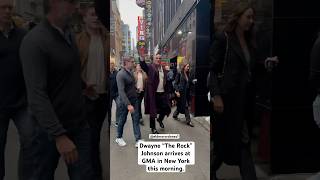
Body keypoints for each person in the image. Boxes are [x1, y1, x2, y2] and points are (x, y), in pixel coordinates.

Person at [20, 0, 94, 179]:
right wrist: (59, 136)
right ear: (54, 3)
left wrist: (83, 86)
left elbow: (67, 71)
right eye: (70, 3)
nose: (75, 7)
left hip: (78, 124)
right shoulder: (35, 41)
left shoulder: (68, 35)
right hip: (47, 132)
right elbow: (36, 95)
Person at [208, 3, 278, 180]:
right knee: (235, 144)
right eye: (248, 17)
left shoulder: (249, 41)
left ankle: (212, 169)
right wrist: (216, 96)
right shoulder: (224, 38)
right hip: (227, 102)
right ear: (238, 17)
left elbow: (250, 68)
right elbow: (213, 70)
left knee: (234, 144)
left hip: (245, 102)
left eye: (253, 18)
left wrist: (266, 63)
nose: (251, 21)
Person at [0, 0, 38, 179]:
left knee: (30, 141)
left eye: (10, 8)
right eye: (3, 8)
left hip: (21, 102)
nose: (7, 11)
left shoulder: (22, 35)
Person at [76, 3, 109, 180]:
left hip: (106, 96)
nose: (95, 18)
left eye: (98, 15)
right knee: (92, 138)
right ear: (84, 18)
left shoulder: (107, 39)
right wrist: (82, 86)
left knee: (101, 136)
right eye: (92, 14)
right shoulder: (78, 40)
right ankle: (95, 175)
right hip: (87, 97)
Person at [139, 54, 171, 134]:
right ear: (154, 59)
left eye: (159, 58)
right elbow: (143, 66)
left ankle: (160, 119)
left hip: (162, 93)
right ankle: (153, 128)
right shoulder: (151, 67)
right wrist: (142, 57)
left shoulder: (163, 69)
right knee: (153, 111)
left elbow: (166, 81)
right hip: (154, 94)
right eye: (156, 58)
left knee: (166, 108)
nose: (158, 59)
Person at [115, 57, 144, 147]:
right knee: (122, 120)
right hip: (125, 103)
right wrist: (128, 105)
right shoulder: (120, 74)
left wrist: (136, 89)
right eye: (132, 62)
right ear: (126, 63)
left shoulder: (130, 72)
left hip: (134, 100)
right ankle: (119, 137)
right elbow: (121, 91)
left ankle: (138, 139)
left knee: (136, 120)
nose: (133, 63)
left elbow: (131, 85)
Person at [110, 61, 120, 126]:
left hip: (116, 93)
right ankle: (109, 121)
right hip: (109, 94)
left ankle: (117, 121)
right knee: (108, 108)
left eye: (113, 65)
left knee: (119, 105)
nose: (112, 66)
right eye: (110, 65)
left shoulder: (117, 73)